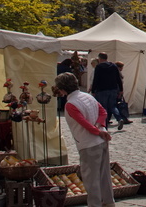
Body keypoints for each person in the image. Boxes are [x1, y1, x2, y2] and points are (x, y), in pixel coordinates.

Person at [55, 72, 114, 207]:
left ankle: (95, 204)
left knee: (91, 178)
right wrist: (100, 127)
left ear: (62, 89)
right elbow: (103, 112)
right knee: (104, 175)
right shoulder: (88, 96)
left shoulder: (71, 104)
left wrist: (97, 130)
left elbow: (83, 123)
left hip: (89, 144)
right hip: (101, 140)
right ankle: (109, 202)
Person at [90, 52, 123, 130]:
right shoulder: (113, 66)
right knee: (113, 106)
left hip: (102, 90)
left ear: (100, 58)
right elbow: (118, 78)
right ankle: (119, 119)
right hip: (113, 89)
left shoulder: (99, 67)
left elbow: (96, 79)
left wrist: (93, 90)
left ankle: (105, 126)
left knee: (103, 108)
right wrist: (121, 89)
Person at [112, 61, 132, 126]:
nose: (122, 68)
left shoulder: (116, 73)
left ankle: (121, 118)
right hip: (117, 91)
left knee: (114, 105)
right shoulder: (117, 73)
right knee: (119, 106)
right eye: (121, 67)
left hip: (116, 90)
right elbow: (119, 83)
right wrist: (120, 91)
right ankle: (122, 118)